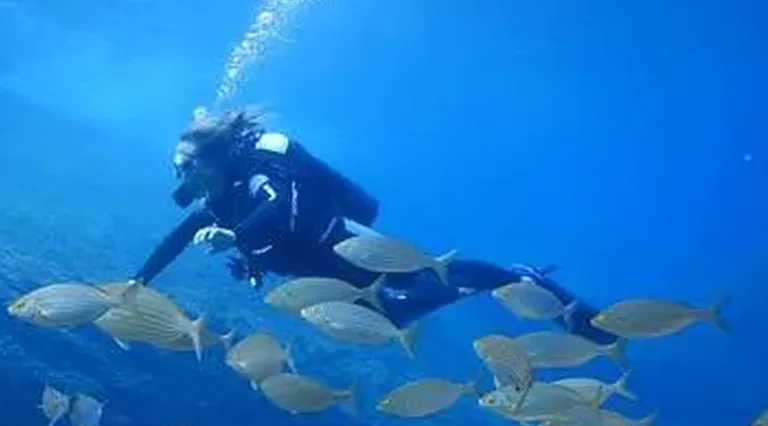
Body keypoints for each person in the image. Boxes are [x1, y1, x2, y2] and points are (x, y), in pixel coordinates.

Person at [132, 107, 616, 344]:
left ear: (213, 162)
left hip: (349, 247)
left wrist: (235, 237)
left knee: (433, 284)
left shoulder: (258, 176)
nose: (179, 175)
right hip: (324, 274)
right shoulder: (219, 201)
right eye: (176, 166)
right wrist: (137, 284)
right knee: (394, 317)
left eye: (185, 166)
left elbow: (280, 208)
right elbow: (177, 239)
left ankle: (516, 279)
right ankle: (507, 284)